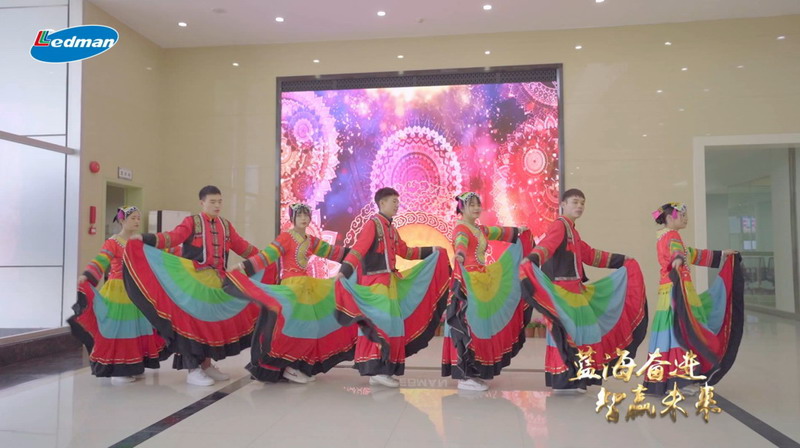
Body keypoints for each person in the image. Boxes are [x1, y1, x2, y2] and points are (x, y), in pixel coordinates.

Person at [124, 185, 262, 386]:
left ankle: (206, 365)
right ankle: (192, 369)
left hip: (217, 283)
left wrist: (266, 257)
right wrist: (146, 238)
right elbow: (173, 237)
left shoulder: (226, 226)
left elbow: (243, 247)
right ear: (202, 203)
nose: (217, 205)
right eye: (212, 201)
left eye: (219, 201)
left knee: (212, 325)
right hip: (193, 281)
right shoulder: (192, 222)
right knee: (193, 326)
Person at [520, 189, 648, 393]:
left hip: (575, 292)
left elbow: (590, 255)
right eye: (575, 202)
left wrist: (622, 260)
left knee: (583, 333)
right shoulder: (560, 225)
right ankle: (565, 380)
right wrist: (532, 259)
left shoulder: (572, 231)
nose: (579, 206)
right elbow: (548, 246)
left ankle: (575, 378)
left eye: (582, 203)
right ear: (563, 204)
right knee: (572, 333)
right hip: (563, 292)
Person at [225, 203, 356, 384]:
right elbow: (266, 256)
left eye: (306, 215)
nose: (303, 218)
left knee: (311, 328)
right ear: (292, 218)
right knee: (299, 328)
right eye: (299, 215)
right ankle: (289, 368)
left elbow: (334, 252)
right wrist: (242, 266)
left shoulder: (311, 240)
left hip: (307, 288)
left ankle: (297, 366)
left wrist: (358, 254)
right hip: (291, 289)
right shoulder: (286, 237)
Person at [335, 187, 450, 388]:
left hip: (389, 283)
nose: (397, 205)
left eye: (398, 201)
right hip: (374, 284)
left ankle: (383, 369)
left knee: (394, 325)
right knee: (382, 324)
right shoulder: (373, 224)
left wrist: (434, 250)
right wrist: (343, 271)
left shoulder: (391, 228)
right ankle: (376, 369)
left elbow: (406, 252)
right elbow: (359, 250)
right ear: (382, 203)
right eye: (393, 201)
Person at [644, 202, 743, 395]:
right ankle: (681, 379)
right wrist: (677, 259)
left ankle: (670, 379)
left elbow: (692, 254)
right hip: (677, 290)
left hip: (672, 290)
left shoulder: (665, 236)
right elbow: (678, 253)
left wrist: (722, 254)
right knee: (681, 332)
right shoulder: (672, 236)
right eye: (682, 215)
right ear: (670, 218)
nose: (686, 219)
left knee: (672, 333)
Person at [442, 192, 531, 391]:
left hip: (481, 281)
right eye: (471, 205)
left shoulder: (479, 229)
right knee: (468, 325)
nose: (476, 208)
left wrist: (518, 231)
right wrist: (460, 255)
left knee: (479, 326)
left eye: (478, 204)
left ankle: (473, 372)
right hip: (468, 282)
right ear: (462, 208)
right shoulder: (461, 229)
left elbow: (499, 232)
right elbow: (461, 243)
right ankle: (464, 375)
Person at [70, 206, 169, 384]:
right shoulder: (113, 242)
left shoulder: (140, 241)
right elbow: (101, 260)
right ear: (122, 220)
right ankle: (119, 369)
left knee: (138, 328)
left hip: (137, 291)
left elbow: (157, 257)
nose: (137, 221)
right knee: (121, 329)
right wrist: (87, 275)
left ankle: (135, 365)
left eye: (138, 218)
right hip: (119, 291)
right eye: (133, 218)